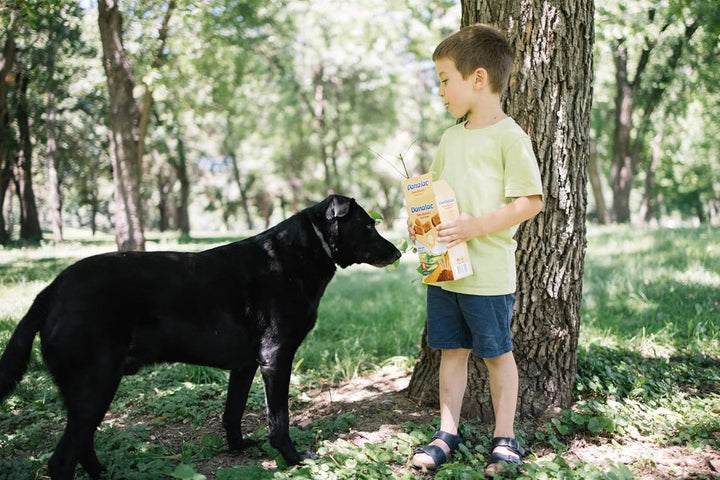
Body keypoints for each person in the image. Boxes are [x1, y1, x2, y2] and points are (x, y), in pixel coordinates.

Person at [409, 23, 543, 474]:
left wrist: (474, 227)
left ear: (478, 79)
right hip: (446, 269)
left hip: (487, 273)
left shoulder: (510, 136)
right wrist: (422, 227)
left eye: (446, 80)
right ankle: (447, 432)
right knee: (450, 351)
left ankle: (505, 438)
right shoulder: (450, 138)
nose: (441, 91)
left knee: (496, 354)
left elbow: (530, 201)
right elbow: (433, 193)